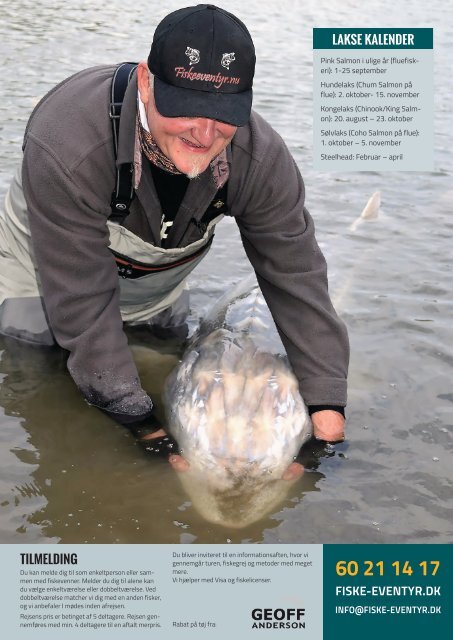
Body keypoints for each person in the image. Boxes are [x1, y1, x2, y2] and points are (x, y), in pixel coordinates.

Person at [0, 4, 349, 457]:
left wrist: (327, 412)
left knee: (166, 348)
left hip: (157, 266)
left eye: (223, 113)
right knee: (31, 355)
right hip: (50, 256)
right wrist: (141, 424)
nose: (204, 133)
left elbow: (296, 279)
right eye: (186, 108)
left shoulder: (261, 160)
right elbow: (81, 299)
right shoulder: (68, 141)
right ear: (146, 82)